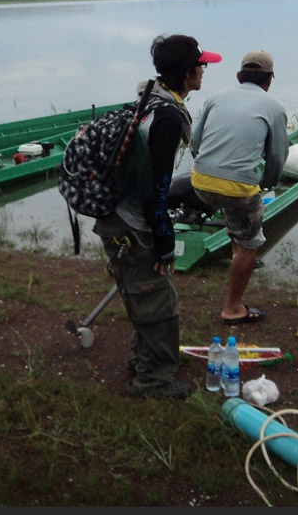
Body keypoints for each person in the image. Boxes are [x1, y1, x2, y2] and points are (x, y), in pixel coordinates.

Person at [93, 34, 221, 399]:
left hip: (121, 216)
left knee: (144, 294)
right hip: (131, 225)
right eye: (201, 65)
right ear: (186, 73)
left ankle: (143, 361)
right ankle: (151, 382)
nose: (204, 70)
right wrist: (165, 239)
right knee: (158, 302)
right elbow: (156, 189)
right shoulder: (165, 116)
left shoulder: (147, 99)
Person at [190, 50, 288, 325]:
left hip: (200, 182)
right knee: (250, 241)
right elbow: (278, 157)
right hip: (236, 187)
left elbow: (195, 143)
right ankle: (232, 308)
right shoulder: (275, 107)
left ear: (238, 76)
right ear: (269, 80)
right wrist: (266, 183)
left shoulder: (215, 97)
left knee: (235, 212)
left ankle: (237, 256)